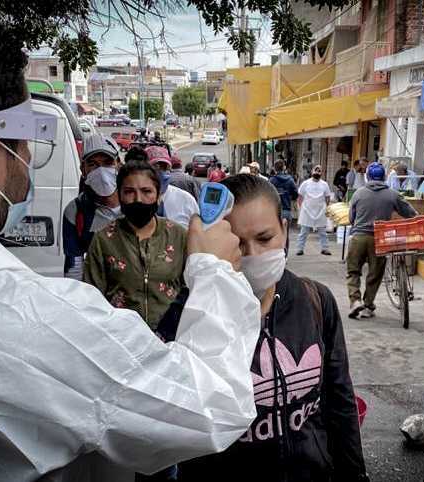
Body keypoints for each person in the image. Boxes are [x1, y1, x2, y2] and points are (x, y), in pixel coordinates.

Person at [0, 6, 262, 481]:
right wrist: (214, 273)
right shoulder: (40, 325)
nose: (28, 160)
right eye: (26, 142)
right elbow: (212, 405)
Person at [156, 175, 371, 482]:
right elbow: (165, 427)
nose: (253, 255)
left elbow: (339, 399)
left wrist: (354, 473)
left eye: (265, 238)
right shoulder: (193, 317)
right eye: (238, 244)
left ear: (284, 230)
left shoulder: (315, 300)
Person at [84, 161, 187, 329]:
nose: (138, 199)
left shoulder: (178, 236)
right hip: (120, 339)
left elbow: (190, 289)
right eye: (129, 192)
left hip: (170, 342)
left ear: (159, 195)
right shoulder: (104, 239)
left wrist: (170, 328)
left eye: (147, 191)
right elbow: (91, 298)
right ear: (119, 195)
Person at [347, 162, 418, 319]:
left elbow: (351, 218)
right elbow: (411, 214)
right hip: (380, 239)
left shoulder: (358, 193)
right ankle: (367, 305)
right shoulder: (392, 194)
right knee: (375, 273)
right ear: (385, 177)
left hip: (358, 237)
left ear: (368, 176)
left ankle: (355, 301)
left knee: (353, 271)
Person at [63, 133, 122, 280]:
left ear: (118, 165)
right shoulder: (75, 211)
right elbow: (74, 265)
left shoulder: (136, 202)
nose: (101, 171)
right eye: (93, 164)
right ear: (83, 169)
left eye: (108, 162)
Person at [146, 145, 199, 228]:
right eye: (155, 168)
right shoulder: (134, 201)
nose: (161, 173)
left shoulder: (186, 200)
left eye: (165, 168)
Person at [296, 165, 332, 256]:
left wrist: (327, 208)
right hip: (307, 210)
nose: (317, 172)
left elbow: (327, 197)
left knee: (323, 232)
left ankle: (325, 248)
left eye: (319, 170)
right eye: (315, 170)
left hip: (321, 211)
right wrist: (300, 208)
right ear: (312, 172)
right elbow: (300, 197)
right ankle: (300, 249)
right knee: (303, 232)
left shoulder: (325, 184)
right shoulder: (305, 183)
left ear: (321, 173)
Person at [269, 160, 298, 255]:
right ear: (284, 167)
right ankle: (285, 255)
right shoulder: (290, 180)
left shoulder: (272, 180)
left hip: (274, 211)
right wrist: (289, 197)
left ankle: (276, 254)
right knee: (286, 234)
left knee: (274, 234)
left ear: (274, 168)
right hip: (286, 210)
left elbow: (267, 194)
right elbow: (295, 194)